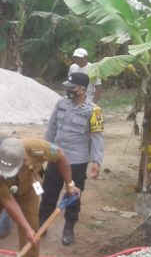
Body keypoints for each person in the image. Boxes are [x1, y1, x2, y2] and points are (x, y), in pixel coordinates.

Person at [39, 71, 104, 246]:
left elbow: (97, 137)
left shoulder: (94, 111)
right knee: (48, 193)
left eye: (71, 87)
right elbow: (52, 128)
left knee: (73, 196)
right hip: (55, 157)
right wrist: (43, 149)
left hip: (77, 162)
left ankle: (69, 229)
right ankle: (42, 224)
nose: (68, 90)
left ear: (82, 89)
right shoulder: (61, 104)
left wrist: (96, 161)